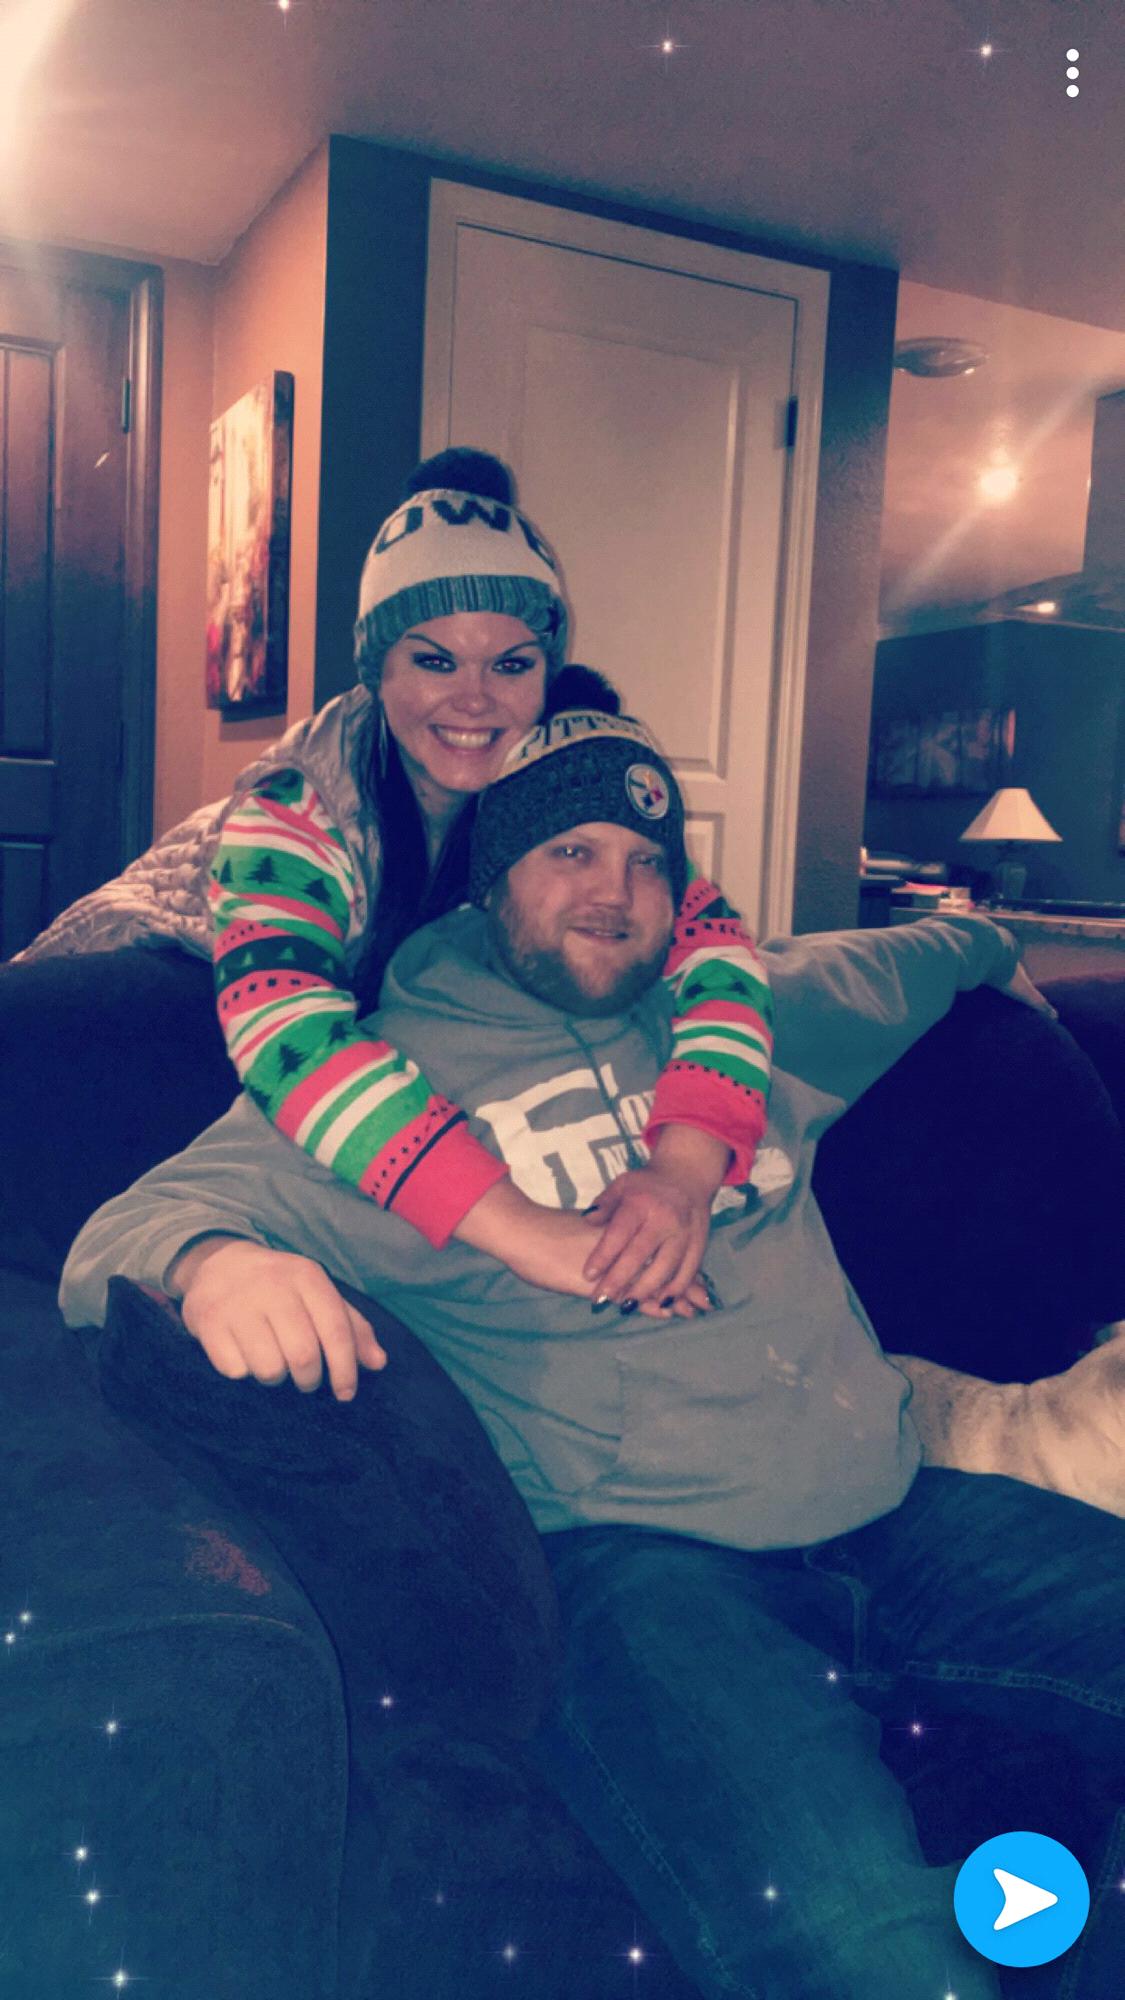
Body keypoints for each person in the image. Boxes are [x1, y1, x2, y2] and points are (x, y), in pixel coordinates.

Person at [61, 707, 1125, 2000]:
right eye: (569, 851)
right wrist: (219, 1263)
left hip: (903, 1513)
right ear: (492, 876)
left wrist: (1002, 954)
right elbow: (113, 1235)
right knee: (873, 1956)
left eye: (645, 860)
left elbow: (929, 946)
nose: (614, 892)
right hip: (645, 1581)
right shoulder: (368, 1087)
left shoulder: (749, 1015)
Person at [19, 448, 773, 1315]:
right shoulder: (299, 802)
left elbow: (715, 948)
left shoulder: (562, 765)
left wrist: (685, 1168)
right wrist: (524, 1230)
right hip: (174, 970)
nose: (475, 699)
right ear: (377, 669)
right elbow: (288, 1033)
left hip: (334, 991)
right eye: (434, 661)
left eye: (511, 665)